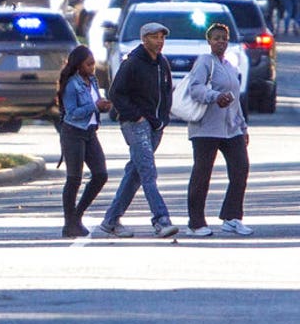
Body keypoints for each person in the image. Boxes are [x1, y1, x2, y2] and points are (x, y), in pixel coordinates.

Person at [97, 21, 180, 238]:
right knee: (147, 171)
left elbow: (167, 92)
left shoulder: (162, 63)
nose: (159, 41)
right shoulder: (132, 62)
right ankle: (161, 220)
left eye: (162, 37)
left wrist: (163, 119)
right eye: (155, 37)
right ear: (144, 39)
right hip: (135, 124)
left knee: (135, 172)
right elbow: (116, 93)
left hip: (155, 125)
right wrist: (137, 115)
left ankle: (110, 221)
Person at [183, 23, 252, 237]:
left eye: (224, 38)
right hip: (206, 128)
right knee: (202, 174)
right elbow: (196, 89)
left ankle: (232, 218)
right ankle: (196, 222)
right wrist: (215, 96)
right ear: (209, 41)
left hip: (232, 129)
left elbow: (236, 100)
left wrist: (243, 126)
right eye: (216, 38)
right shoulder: (205, 62)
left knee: (240, 168)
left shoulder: (230, 66)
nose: (221, 41)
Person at [56, 45, 111, 238]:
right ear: (78, 65)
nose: (93, 67)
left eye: (94, 63)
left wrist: (102, 106)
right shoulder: (72, 84)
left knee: (100, 174)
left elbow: (93, 106)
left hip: (90, 132)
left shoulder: (93, 81)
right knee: (74, 178)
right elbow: (72, 112)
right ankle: (69, 223)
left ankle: (77, 216)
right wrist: (93, 106)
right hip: (73, 132)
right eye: (88, 64)